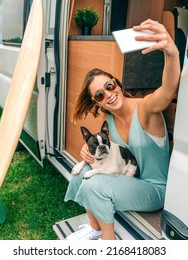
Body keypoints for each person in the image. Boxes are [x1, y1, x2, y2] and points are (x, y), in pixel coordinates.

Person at [64, 19, 180, 240]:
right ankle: (95, 229)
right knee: (79, 174)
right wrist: (87, 153)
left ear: (117, 84)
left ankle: (110, 243)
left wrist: (171, 53)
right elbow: (107, 152)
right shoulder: (109, 123)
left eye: (109, 86)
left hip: (155, 190)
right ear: (96, 103)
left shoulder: (144, 108)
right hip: (131, 181)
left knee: (95, 184)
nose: (108, 94)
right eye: (99, 95)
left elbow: (167, 91)